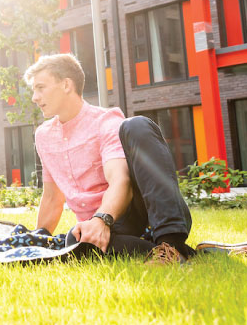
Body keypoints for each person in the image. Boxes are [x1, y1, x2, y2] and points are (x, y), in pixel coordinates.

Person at [26, 53, 196, 263]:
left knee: (136, 125)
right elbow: (52, 197)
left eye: (40, 87)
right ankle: (181, 252)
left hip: (128, 213)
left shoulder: (106, 122)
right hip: (101, 227)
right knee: (74, 241)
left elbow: (121, 181)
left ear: (66, 85)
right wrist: (37, 241)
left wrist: (101, 220)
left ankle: (171, 242)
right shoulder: (43, 136)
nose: (34, 97)